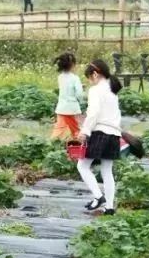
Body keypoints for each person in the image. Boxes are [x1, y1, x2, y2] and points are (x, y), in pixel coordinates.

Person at [77, 59, 122, 216]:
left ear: (95, 74)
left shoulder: (95, 90)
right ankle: (109, 207)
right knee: (107, 170)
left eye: (89, 78)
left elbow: (93, 113)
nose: (90, 82)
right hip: (114, 134)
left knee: (82, 166)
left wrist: (85, 131)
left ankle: (98, 196)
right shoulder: (112, 90)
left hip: (100, 132)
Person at [51, 52, 85, 141]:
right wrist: (81, 100)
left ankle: (54, 143)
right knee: (76, 129)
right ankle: (79, 145)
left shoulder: (60, 77)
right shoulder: (75, 78)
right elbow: (79, 94)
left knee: (59, 129)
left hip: (62, 108)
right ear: (73, 65)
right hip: (72, 108)